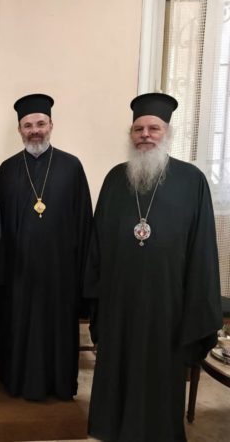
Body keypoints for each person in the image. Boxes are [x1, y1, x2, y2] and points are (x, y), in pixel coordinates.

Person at [84, 92, 222, 441]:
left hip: (168, 305)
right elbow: (97, 244)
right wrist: (96, 298)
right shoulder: (115, 179)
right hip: (119, 302)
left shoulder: (192, 181)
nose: (145, 135)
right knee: (117, 370)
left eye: (153, 128)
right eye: (138, 129)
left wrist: (196, 310)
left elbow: (202, 249)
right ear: (131, 134)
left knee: (161, 376)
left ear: (167, 132)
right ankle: (114, 429)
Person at [0, 94, 92, 401]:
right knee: (19, 326)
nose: (34, 130)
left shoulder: (71, 167)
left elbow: (84, 223)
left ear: (51, 125)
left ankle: (59, 384)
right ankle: (18, 381)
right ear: (19, 130)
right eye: (28, 125)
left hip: (60, 272)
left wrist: (82, 275)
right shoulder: (7, 170)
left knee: (56, 328)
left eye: (40, 124)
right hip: (18, 273)